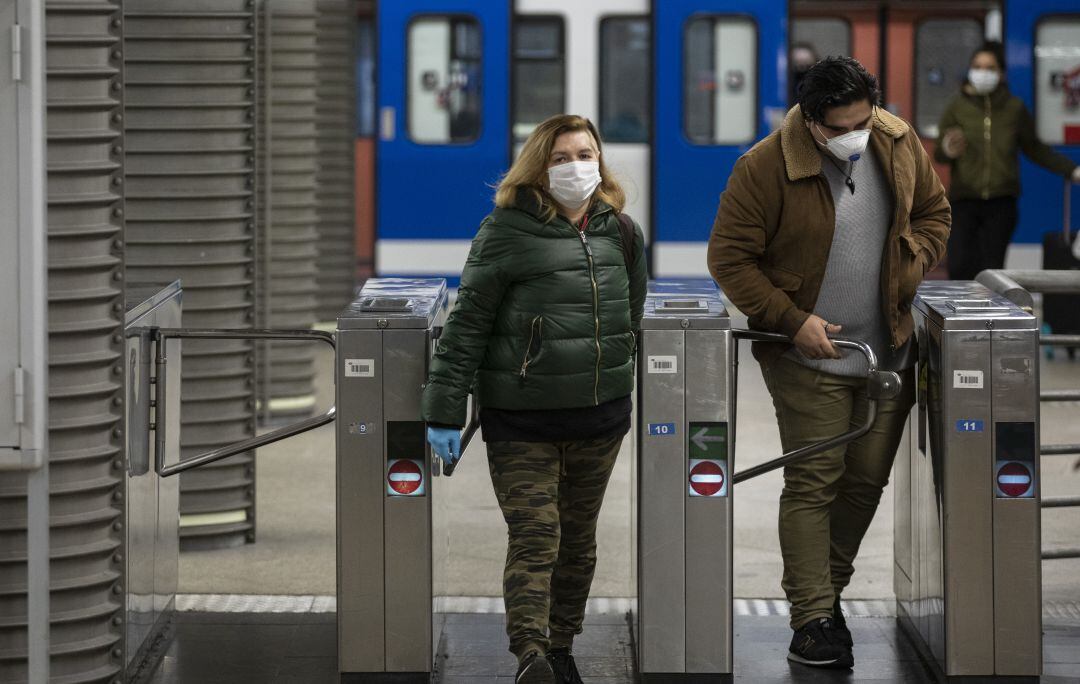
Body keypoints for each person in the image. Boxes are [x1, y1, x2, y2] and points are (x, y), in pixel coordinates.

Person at [708, 57, 950, 669]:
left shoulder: (895, 141)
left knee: (866, 481)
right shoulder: (764, 166)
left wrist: (911, 257)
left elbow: (934, 214)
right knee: (815, 483)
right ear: (812, 122)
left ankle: (828, 596)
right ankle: (812, 616)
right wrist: (792, 321)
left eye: (864, 119)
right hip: (805, 357)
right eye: (842, 126)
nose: (856, 134)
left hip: (886, 349)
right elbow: (730, 259)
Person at [421, 114, 648, 684]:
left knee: (578, 541)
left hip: (600, 415)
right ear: (539, 168)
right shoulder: (504, 231)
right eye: (562, 156)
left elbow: (630, 315)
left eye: (585, 153)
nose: (577, 166)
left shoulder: (620, 231)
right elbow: (467, 325)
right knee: (536, 536)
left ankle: (562, 646)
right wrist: (444, 410)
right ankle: (531, 653)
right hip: (522, 418)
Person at [936, 40, 1080, 280]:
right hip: (964, 201)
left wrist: (1071, 170)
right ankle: (961, 317)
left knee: (991, 270)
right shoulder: (956, 107)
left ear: (1001, 73)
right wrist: (947, 149)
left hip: (1001, 204)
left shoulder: (1014, 109)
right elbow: (941, 153)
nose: (982, 72)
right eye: (977, 66)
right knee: (959, 266)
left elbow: (1036, 149)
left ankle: (989, 318)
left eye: (989, 68)